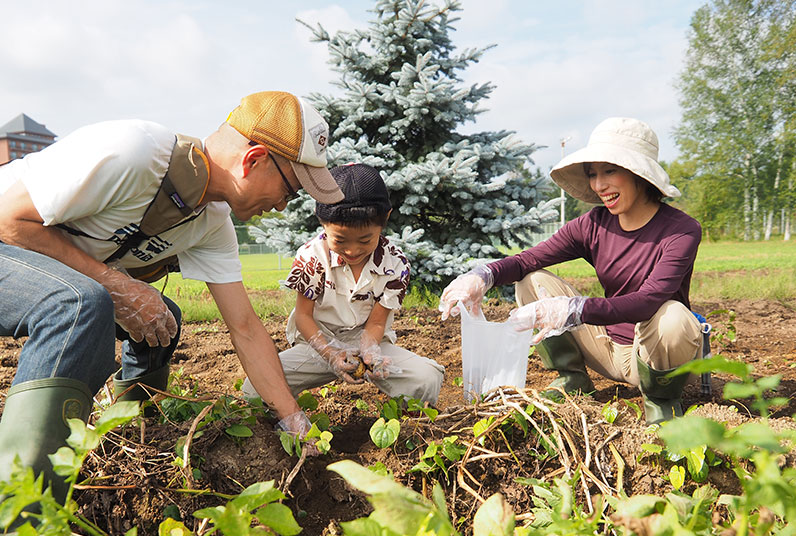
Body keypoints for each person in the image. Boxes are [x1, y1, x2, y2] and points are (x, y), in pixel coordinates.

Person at [0, 91, 344, 536]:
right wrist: (118, 286)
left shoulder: (211, 224)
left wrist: (293, 419)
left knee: (160, 321)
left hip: (19, 257)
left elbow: (246, 329)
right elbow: (6, 221)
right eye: (291, 189)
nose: (286, 205)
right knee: (79, 304)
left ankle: (125, 439)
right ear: (253, 160)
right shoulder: (135, 153)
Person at [438, 117, 702, 425]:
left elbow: (647, 301)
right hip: (605, 348)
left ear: (638, 173)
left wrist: (574, 309)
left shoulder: (681, 230)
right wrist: (482, 276)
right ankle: (573, 380)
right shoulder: (593, 224)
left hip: (653, 354)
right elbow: (527, 260)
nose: (599, 185)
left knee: (673, 316)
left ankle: (661, 401)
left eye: (610, 170)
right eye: (593, 174)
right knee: (531, 281)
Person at [243, 163, 444, 410]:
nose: (352, 250)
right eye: (339, 240)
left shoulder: (395, 263)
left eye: (365, 240)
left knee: (426, 379)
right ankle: (277, 426)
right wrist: (332, 354)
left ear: (385, 220)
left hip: (371, 342)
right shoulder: (311, 257)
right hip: (318, 344)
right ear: (322, 222)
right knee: (254, 388)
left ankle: (413, 426)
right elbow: (304, 317)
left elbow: (377, 323)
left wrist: (370, 352)